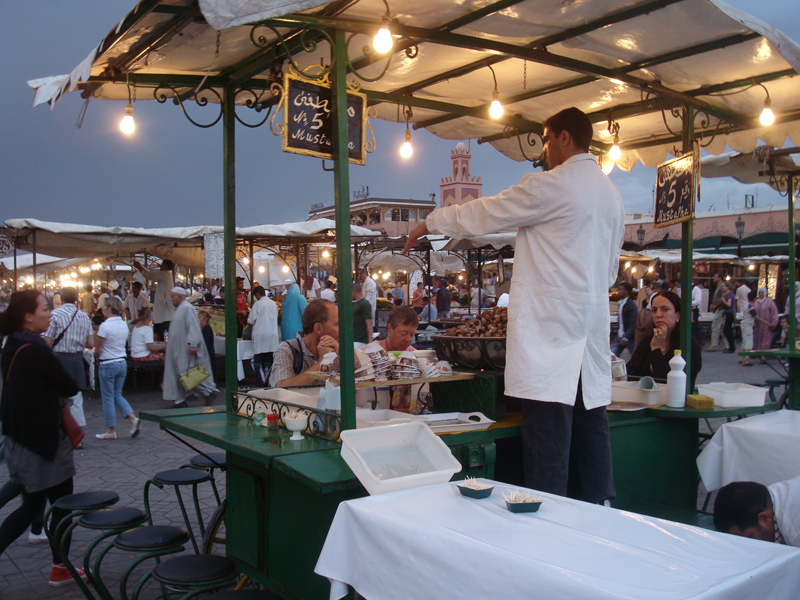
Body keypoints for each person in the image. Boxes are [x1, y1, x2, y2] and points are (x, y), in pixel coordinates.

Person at [403, 107, 624, 504]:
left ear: (564, 138)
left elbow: (488, 211)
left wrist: (431, 222)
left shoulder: (551, 186)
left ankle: (544, 525)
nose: (544, 150)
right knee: (592, 431)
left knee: (548, 440)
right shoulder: (611, 194)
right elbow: (610, 271)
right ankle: (599, 517)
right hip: (588, 332)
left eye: (546, 138)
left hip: (550, 334)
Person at [0, 290, 89, 586]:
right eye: (44, 309)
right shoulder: (36, 350)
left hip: (21, 438)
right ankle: (60, 566)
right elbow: (71, 385)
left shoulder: (12, 344)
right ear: (28, 315)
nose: (50, 313)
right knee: (56, 507)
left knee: (36, 505)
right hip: (45, 442)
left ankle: (59, 567)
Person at [627, 291, 702, 392]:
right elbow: (630, 373)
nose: (658, 315)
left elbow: (671, 384)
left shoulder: (688, 346)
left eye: (665, 309)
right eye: (654, 310)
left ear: (677, 315)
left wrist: (656, 350)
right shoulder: (647, 341)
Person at [45, 287, 93, 438]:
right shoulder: (84, 317)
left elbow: (47, 342)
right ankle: (77, 436)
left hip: (59, 359)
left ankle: (59, 432)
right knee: (76, 398)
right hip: (77, 359)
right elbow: (90, 343)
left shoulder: (55, 315)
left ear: (62, 298)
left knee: (57, 396)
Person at [163, 288, 219, 408]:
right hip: (177, 348)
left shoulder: (187, 308)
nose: (171, 299)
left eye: (173, 296)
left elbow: (193, 326)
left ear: (180, 297)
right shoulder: (180, 309)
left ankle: (208, 392)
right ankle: (179, 400)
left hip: (184, 349)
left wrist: (193, 344)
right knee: (177, 374)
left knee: (186, 373)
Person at [95, 297, 139, 440]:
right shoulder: (123, 325)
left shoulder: (105, 326)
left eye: (103, 307)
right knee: (117, 394)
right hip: (121, 361)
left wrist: (97, 355)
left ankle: (111, 429)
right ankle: (132, 417)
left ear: (109, 308)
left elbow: (98, 349)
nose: (102, 309)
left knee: (108, 397)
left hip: (108, 362)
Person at [714, 476, 800, 547]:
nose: (749, 548)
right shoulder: (767, 499)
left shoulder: (795, 531)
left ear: (764, 518)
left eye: (750, 538)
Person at [269, 299, 339, 387]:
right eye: (337, 324)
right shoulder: (287, 350)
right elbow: (281, 388)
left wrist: (341, 358)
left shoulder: (339, 349)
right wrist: (322, 364)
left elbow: (357, 386)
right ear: (318, 328)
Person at [133, 259, 175, 341]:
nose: (160, 266)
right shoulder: (165, 275)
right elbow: (151, 273)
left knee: (159, 331)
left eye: (162, 264)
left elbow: (150, 275)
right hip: (164, 310)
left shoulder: (165, 274)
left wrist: (139, 267)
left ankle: (159, 346)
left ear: (166, 266)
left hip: (164, 309)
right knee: (160, 329)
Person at [248, 286, 279, 386]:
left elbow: (251, 320)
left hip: (260, 334)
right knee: (269, 361)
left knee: (259, 361)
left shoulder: (257, 304)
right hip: (272, 334)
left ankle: (261, 381)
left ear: (257, 294)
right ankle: (269, 381)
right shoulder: (273, 304)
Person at [611, 282, 637, 358]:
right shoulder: (621, 303)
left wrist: (626, 337)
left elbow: (633, 322)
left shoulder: (631, 305)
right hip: (620, 335)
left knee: (635, 357)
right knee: (613, 356)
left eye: (621, 289)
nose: (619, 291)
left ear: (626, 291)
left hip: (628, 337)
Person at [753, 287, 779, 363]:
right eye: (759, 292)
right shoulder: (756, 302)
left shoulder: (770, 302)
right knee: (758, 340)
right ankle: (760, 354)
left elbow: (774, 313)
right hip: (758, 326)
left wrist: (774, 323)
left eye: (762, 292)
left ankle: (764, 356)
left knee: (766, 341)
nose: (761, 294)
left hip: (767, 325)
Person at [633, 278, 655, 354]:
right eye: (646, 291)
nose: (647, 292)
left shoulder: (653, 301)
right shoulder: (643, 302)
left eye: (648, 290)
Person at [706, 273, 726, 351]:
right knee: (720, 328)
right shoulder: (719, 287)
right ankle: (727, 345)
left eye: (716, 276)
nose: (714, 278)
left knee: (715, 327)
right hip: (719, 309)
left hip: (720, 309)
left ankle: (714, 345)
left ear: (720, 278)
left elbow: (722, 298)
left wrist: (715, 305)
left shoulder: (722, 287)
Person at [718, 282, 737, 354]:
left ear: (727, 287)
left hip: (729, 313)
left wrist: (723, 300)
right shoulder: (730, 294)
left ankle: (731, 347)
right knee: (727, 330)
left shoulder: (729, 295)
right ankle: (731, 346)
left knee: (727, 330)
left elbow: (729, 304)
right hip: (729, 313)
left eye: (724, 287)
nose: (722, 288)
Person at [740, 289, 756, 366]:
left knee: (744, 341)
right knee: (749, 342)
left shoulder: (745, 305)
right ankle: (746, 359)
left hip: (743, 323)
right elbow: (755, 315)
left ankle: (742, 357)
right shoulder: (750, 306)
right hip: (748, 324)